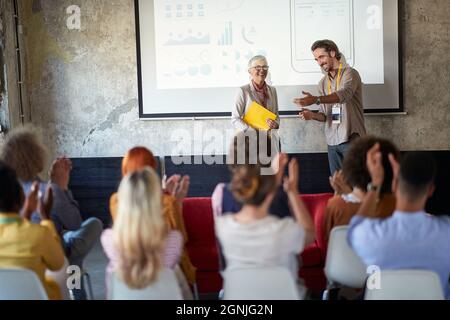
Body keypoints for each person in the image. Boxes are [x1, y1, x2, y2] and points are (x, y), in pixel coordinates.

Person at [0, 127, 103, 300]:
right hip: (53, 252)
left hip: (15, 279)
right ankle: (78, 293)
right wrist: (61, 188)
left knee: (69, 238)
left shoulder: (8, 192)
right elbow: (75, 222)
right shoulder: (49, 192)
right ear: (36, 156)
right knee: (92, 227)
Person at [215, 134, 316, 298]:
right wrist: (292, 190)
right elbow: (309, 234)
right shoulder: (283, 230)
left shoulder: (222, 226)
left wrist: (272, 179)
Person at [348, 146, 450, 299]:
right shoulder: (446, 231)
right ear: (430, 190)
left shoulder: (371, 235)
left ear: (394, 186)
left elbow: (354, 229)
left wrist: (376, 183)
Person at [108, 147, 197, 290]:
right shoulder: (167, 206)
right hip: (169, 282)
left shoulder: (115, 203)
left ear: (125, 171)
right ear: (152, 171)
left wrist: (165, 195)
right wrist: (173, 202)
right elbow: (181, 238)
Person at [294, 40, 366, 175]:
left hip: (351, 137)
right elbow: (324, 115)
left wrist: (315, 99)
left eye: (321, 57)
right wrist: (312, 115)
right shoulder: (322, 83)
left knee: (358, 183)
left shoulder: (350, 73)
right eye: (316, 59)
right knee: (338, 184)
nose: (319, 62)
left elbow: (344, 94)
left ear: (333, 53)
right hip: (332, 141)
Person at [0, 161, 65, 300]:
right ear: (20, 196)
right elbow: (57, 263)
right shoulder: (40, 233)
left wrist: (27, 214)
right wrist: (46, 218)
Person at [323, 136, 399, 244]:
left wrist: (341, 195)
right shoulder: (396, 206)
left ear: (350, 166)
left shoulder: (336, 206)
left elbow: (329, 246)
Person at [232, 55, 280, 133]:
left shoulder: (273, 90)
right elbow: (235, 119)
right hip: (251, 140)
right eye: (257, 67)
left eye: (265, 67)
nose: (262, 70)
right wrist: (251, 131)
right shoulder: (243, 91)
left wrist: (276, 124)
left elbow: (276, 116)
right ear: (249, 71)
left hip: (270, 139)